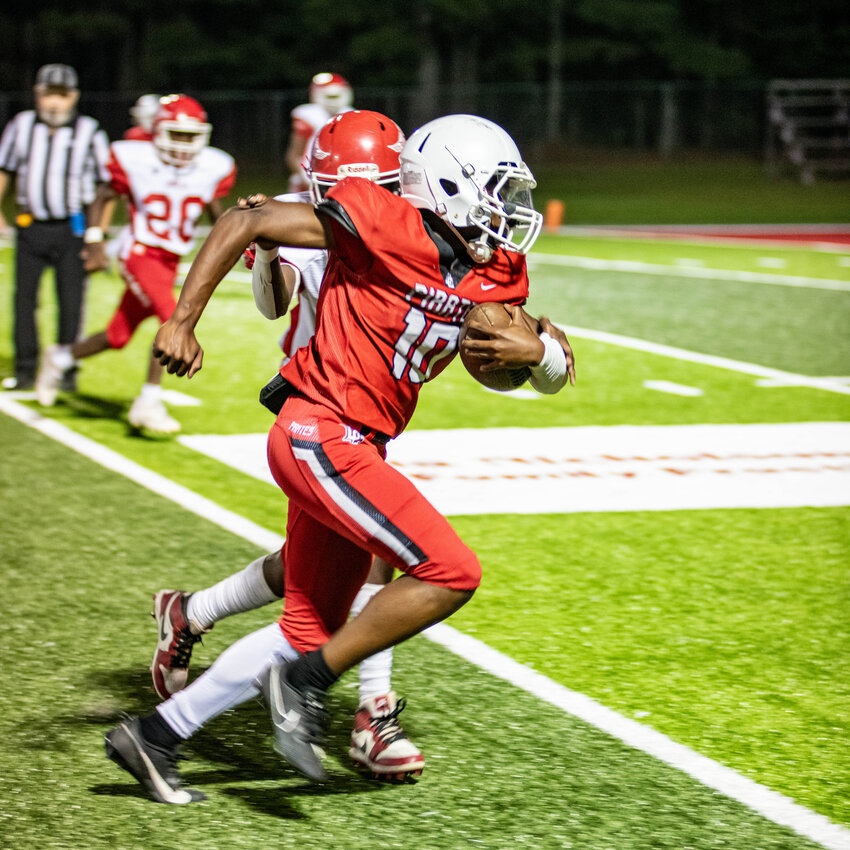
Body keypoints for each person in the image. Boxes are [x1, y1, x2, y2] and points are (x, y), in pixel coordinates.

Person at [105, 113, 575, 803]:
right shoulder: (380, 219)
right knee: (449, 571)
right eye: (498, 189)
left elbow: (526, 366)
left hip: (354, 441)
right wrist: (180, 320)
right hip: (321, 431)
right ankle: (314, 686)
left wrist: (540, 355)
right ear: (448, 184)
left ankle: (156, 736)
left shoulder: (495, 268)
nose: (511, 209)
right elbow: (248, 220)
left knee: (307, 626)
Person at [151, 112, 424, 780]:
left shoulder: (407, 224)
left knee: (314, 571)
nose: (377, 201)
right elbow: (276, 305)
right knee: (381, 550)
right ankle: (372, 711)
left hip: (366, 406)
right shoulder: (311, 222)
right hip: (322, 408)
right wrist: (269, 249)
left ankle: (191, 613)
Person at [34, 94, 236, 434]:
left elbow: (218, 212)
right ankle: (149, 400)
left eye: (190, 135)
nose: (184, 144)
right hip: (140, 251)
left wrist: (236, 235)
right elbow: (103, 196)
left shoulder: (210, 168)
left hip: (170, 259)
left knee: (117, 336)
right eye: (177, 134)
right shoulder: (135, 159)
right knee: (173, 317)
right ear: (158, 132)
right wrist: (94, 240)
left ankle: (59, 358)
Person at [0, 63, 110, 391]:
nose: (54, 103)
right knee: (24, 301)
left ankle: (66, 370)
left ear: (73, 97)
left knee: (71, 303)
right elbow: (4, 168)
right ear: (37, 94)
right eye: (49, 94)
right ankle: (24, 370)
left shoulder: (90, 131)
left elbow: (107, 188)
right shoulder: (21, 125)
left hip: (72, 229)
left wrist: (97, 236)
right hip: (30, 225)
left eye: (61, 95)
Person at [285, 72, 353, 193]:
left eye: (335, 96)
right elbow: (293, 155)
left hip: (341, 182)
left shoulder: (352, 115)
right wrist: (304, 176)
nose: (332, 100)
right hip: (308, 183)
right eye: (329, 96)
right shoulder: (308, 116)